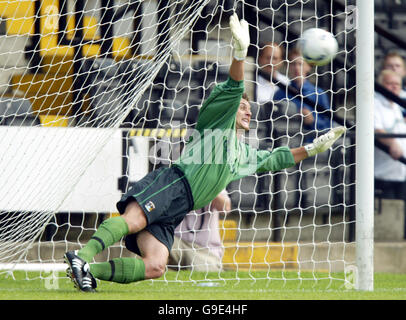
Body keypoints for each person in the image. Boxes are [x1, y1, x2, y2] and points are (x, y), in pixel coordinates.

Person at [64, 13, 346, 292]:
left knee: (155, 267)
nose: (248, 110)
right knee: (134, 220)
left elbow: (277, 158)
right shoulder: (216, 123)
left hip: (179, 208)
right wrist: (239, 53)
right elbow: (235, 87)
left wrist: (311, 149)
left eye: (249, 107)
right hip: (173, 184)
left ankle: (87, 271)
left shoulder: (242, 154)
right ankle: (82, 255)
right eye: (242, 107)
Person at [273, 47, 332, 137]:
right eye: (293, 64)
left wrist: (313, 121)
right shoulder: (280, 93)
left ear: (308, 67)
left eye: (300, 64)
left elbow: (329, 126)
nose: (296, 68)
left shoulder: (319, 93)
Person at [167, 190, 231, 272]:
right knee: (157, 246)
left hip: (204, 250)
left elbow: (226, 208)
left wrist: (208, 187)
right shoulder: (175, 180)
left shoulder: (213, 180)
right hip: (176, 243)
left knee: (203, 271)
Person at [374, 69, 406, 199]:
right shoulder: (374, 103)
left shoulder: (397, 106)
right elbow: (375, 129)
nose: (394, 87)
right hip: (383, 175)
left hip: (401, 173)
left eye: (397, 84)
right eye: (389, 83)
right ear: (381, 85)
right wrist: (392, 142)